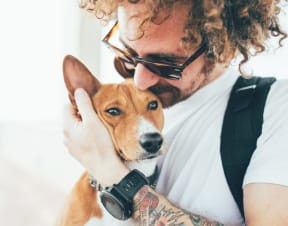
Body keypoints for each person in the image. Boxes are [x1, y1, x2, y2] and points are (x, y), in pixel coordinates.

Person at [63, 0, 288, 225]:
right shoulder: (127, 104)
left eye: (165, 64)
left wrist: (111, 173)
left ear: (222, 47)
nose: (140, 80)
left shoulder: (275, 107)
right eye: (127, 54)